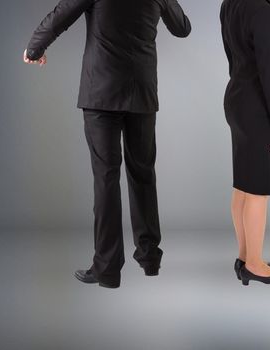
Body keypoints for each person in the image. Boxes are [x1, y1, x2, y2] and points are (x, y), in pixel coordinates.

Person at [22, 0, 191, 289]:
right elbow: (182, 28)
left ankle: (108, 269)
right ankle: (150, 258)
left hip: (101, 92)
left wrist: (34, 48)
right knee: (143, 174)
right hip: (142, 92)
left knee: (106, 179)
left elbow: (61, 16)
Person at [220, 0, 270, 286]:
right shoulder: (260, 9)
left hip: (237, 97)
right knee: (258, 190)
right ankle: (254, 263)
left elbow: (233, 55)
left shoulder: (230, 3)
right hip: (257, 104)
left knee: (243, 185)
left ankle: (245, 256)